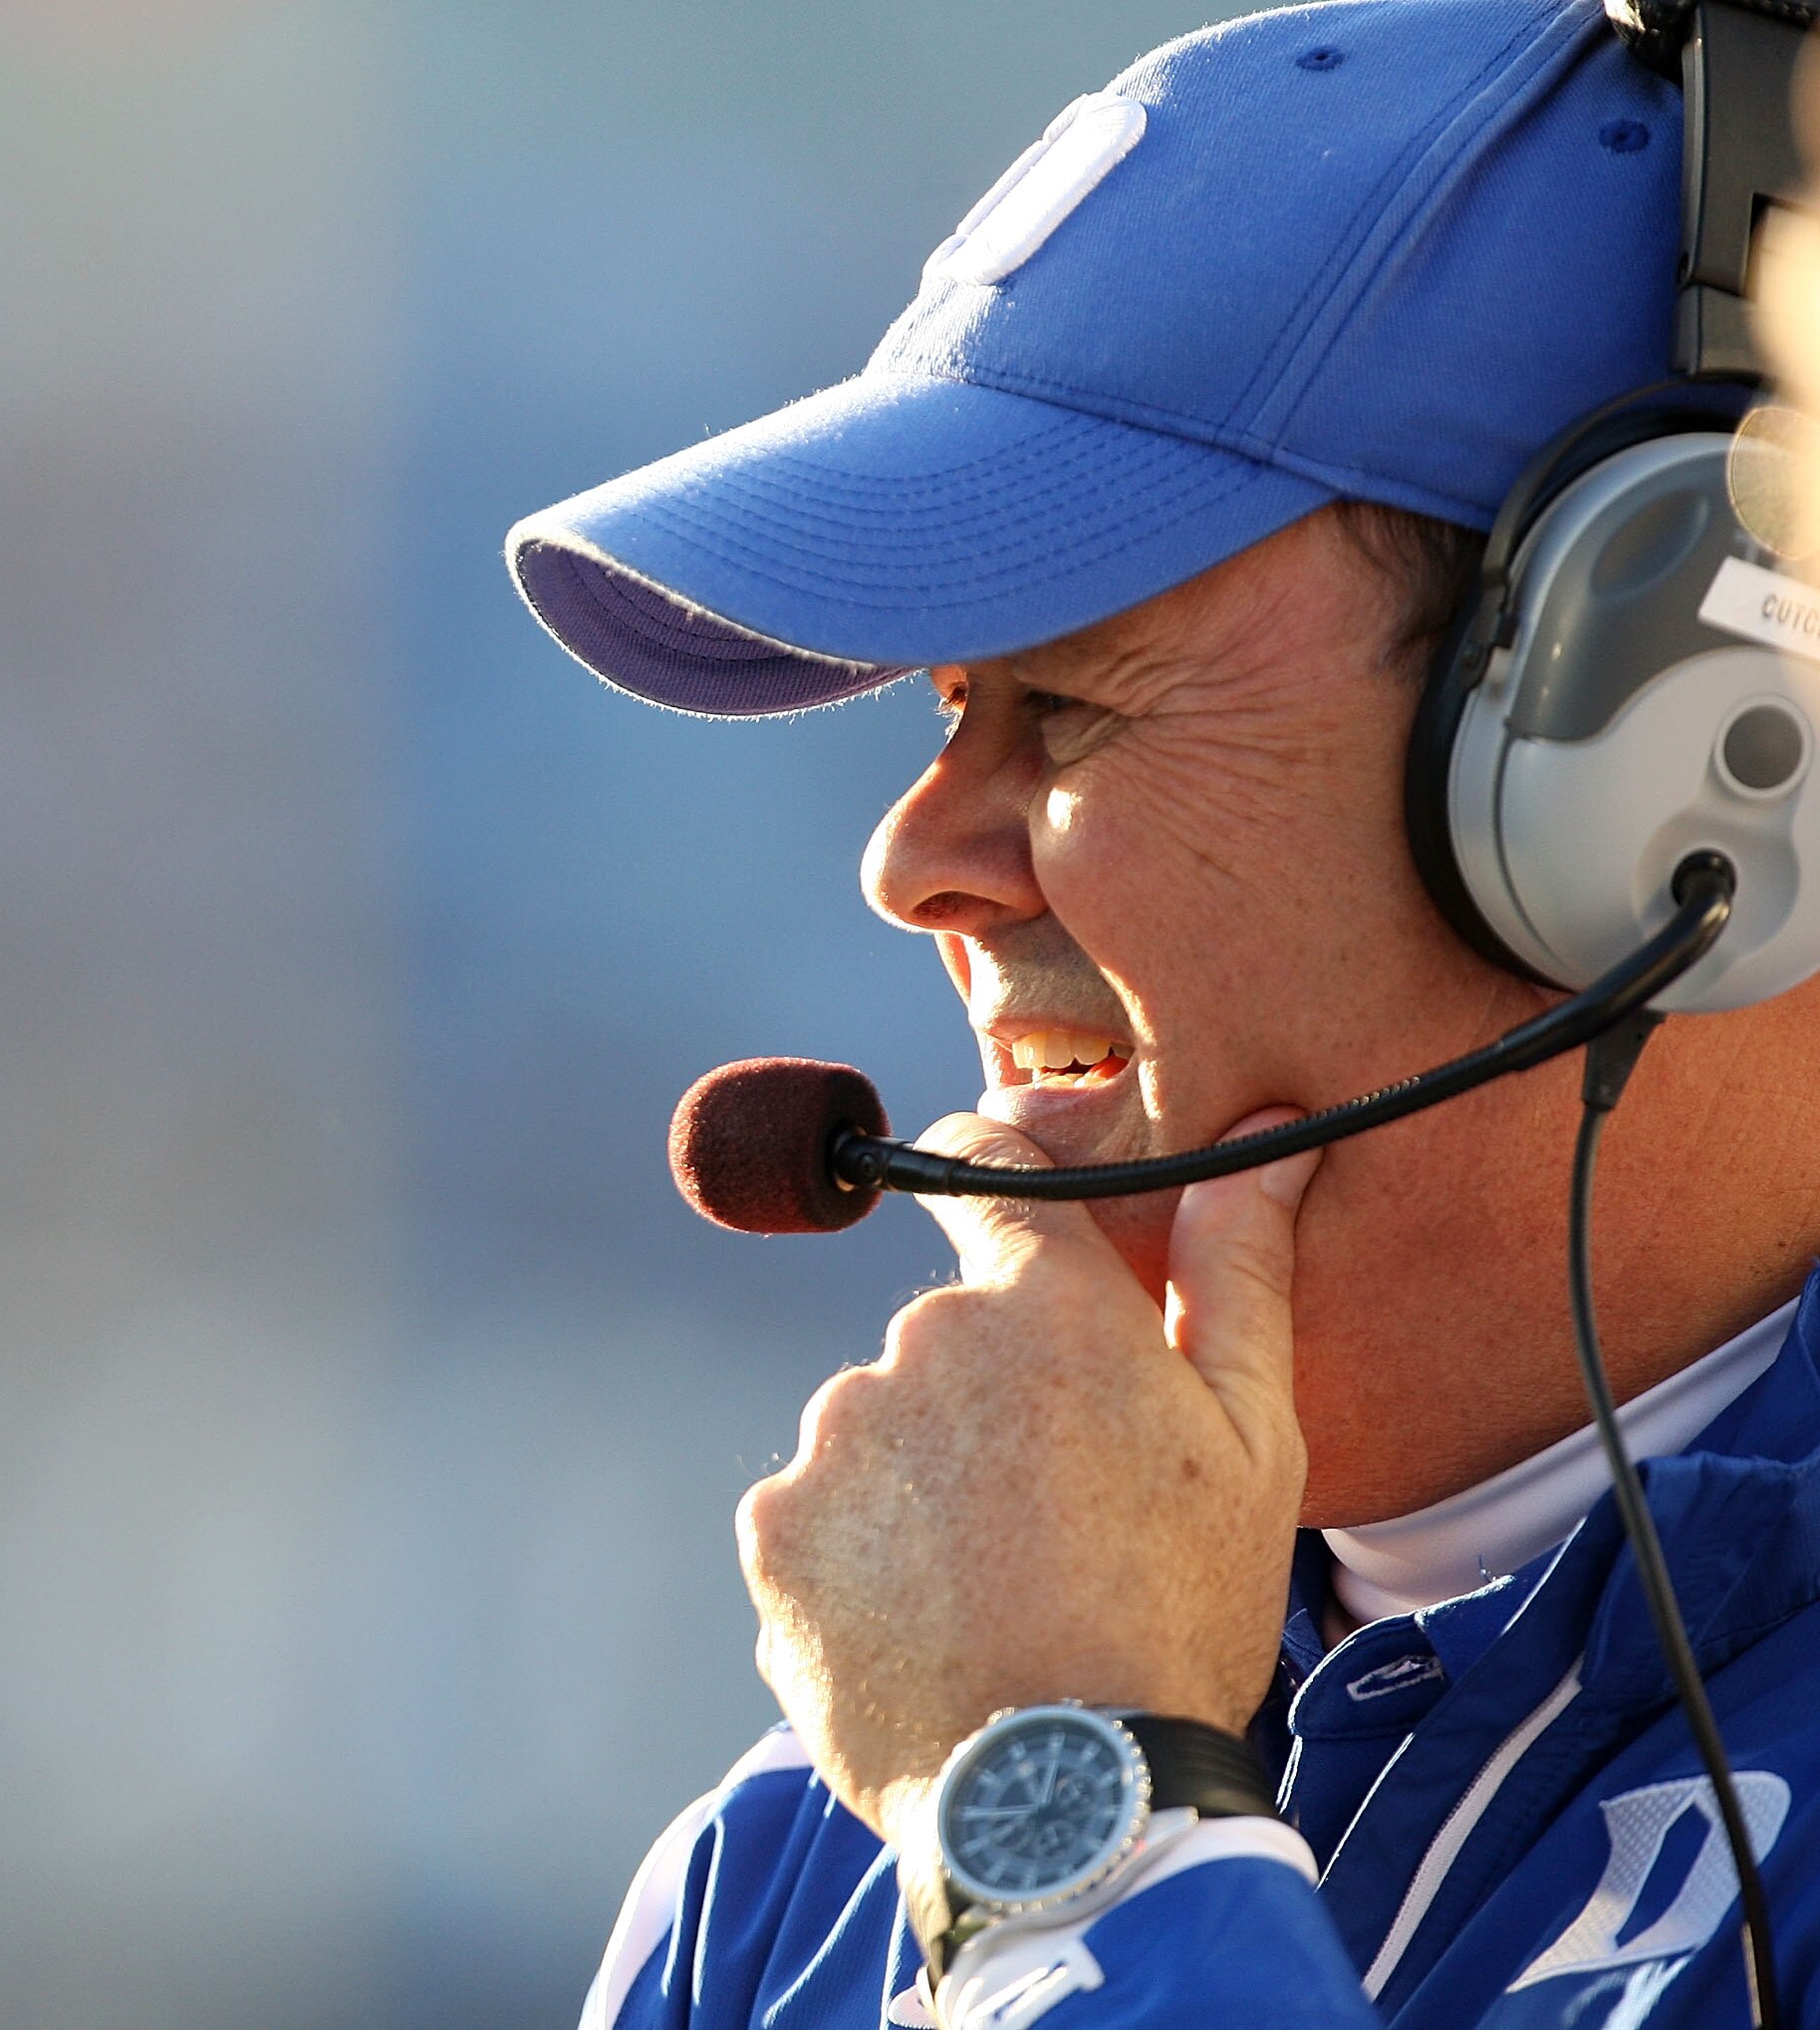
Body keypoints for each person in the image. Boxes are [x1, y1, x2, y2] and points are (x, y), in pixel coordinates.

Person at [506, 3, 1820, 2026]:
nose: (913, 859)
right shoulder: (813, 1857)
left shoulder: (996, 1790)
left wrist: (1077, 1843)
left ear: (1680, 768)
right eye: (950, 707)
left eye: (1066, 705)